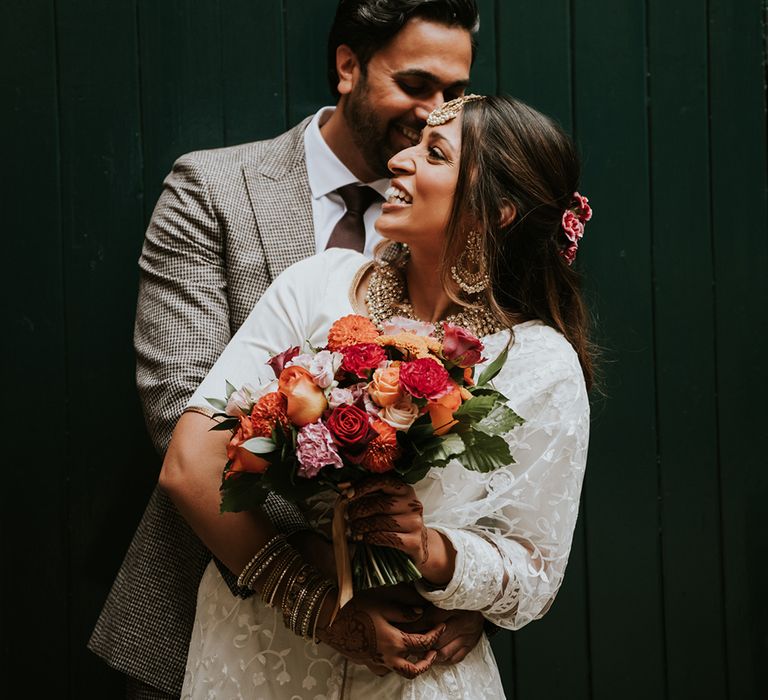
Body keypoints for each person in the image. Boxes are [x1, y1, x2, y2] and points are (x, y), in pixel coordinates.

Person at [88, 2, 488, 698]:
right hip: (214, 604)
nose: (435, 110)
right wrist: (331, 568)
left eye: (454, 93)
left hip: (408, 639)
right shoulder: (213, 190)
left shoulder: (458, 219)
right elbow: (181, 409)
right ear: (346, 67)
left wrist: (468, 584)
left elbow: (493, 405)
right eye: (418, 84)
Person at [160, 94, 593, 698]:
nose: (400, 160)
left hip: (417, 672)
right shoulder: (317, 286)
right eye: (413, 143)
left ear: (495, 213)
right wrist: (315, 606)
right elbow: (189, 466)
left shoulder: (540, 364)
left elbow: (534, 573)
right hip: (265, 649)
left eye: (434, 153)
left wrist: (431, 550)